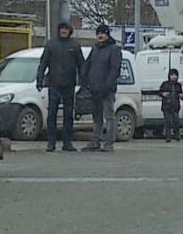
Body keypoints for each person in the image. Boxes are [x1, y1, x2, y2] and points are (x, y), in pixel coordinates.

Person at [36, 21, 84, 152]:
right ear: (58, 30)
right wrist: (39, 79)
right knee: (52, 114)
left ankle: (67, 143)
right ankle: (51, 143)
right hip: (54, 84)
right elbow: (43, 63)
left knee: (68, 115)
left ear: (70, 30)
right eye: (61, 28)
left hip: (69, 85)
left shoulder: (75, 45)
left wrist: (84, 82)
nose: (63, 31)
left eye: (66, 28)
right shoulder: (51, 44)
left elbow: (81, 65)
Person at [80, 24, 122, 153]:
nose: (100, 35)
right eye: (98, 33)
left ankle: (109, 143)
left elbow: (114, 71)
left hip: (106, 91)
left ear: (108, 34)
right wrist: (84, 80)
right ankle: (95, 142)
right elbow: (87, 65)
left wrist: (107, 87)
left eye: (103, 33)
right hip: (94, 89)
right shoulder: (95, 49)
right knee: (96, 118)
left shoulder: (114, 49)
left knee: (109, 117)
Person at [159, 69, 183, 142]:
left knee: (176, 121)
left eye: (175, 75)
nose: (174, 77)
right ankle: (168, 136)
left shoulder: (178, 85)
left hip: (175, 105)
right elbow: (159, 92)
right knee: (168, 121)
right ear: (169, 76)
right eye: (172, 75)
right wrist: (163, 94)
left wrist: (181, 96)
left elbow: (181, 94)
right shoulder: (165, 84)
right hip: (166, 105)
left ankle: (176, 135)